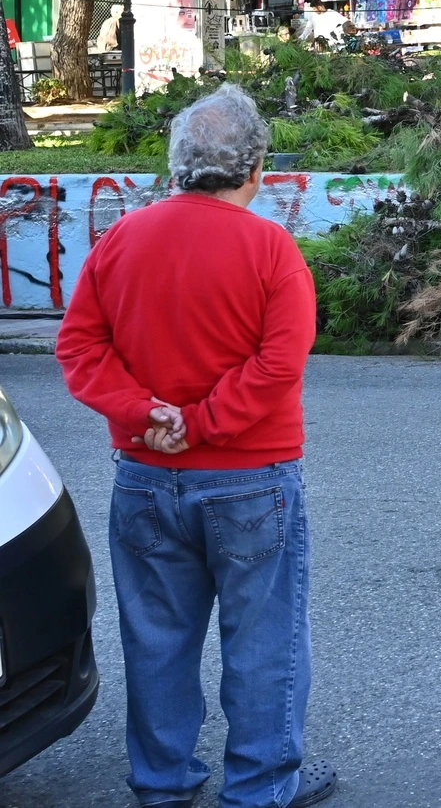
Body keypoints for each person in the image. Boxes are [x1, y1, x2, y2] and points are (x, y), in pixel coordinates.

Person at [58, 85, 337, 808]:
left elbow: (79, 345)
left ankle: (161, 781)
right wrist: (207, 419)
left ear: (177, 165)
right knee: (264, 639)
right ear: (256, 169)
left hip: (146, 475)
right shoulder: (271, 247)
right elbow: (281, 362)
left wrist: (146, 412)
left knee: (156, 641)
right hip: (251, 475)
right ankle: (260, 783)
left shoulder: (122, 238)